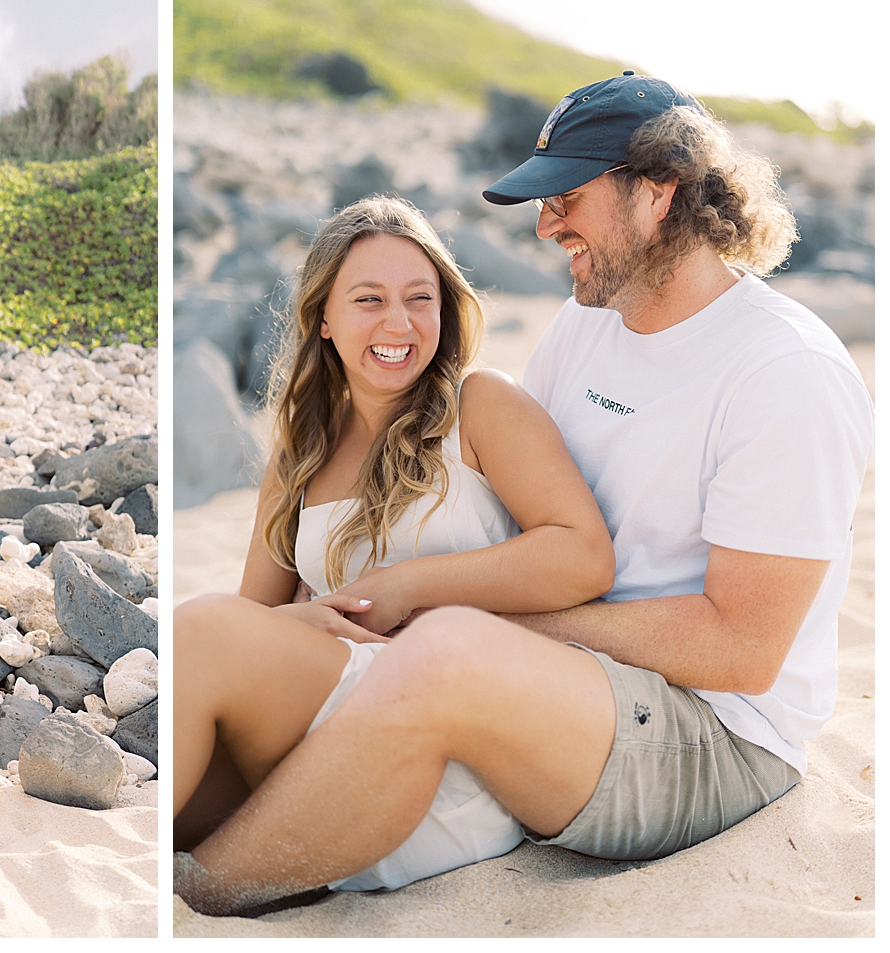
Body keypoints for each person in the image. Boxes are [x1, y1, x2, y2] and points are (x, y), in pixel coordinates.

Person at [174, 72, 874, 916]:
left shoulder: (784, 371)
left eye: (568, 197)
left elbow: (743, 650)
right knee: (212, 630)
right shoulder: (587, 326)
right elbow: (503, 503)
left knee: (448, 651)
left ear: (660, 192)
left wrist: (471, 620)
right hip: (560, 685)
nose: (546, 226)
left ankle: (198, 898)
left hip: (716, 734)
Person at [175, 196, 617, 892]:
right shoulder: (299, 457)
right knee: (183, 750)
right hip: (319, 739)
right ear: (324, 317)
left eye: (419, 298)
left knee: (195, 630)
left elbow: (583, 556)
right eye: (368, 299)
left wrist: (410, 586)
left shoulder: (481, 408)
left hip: (442, 746)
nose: (398, 323)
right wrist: (297, 620)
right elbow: (252, 629)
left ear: (445, 310)